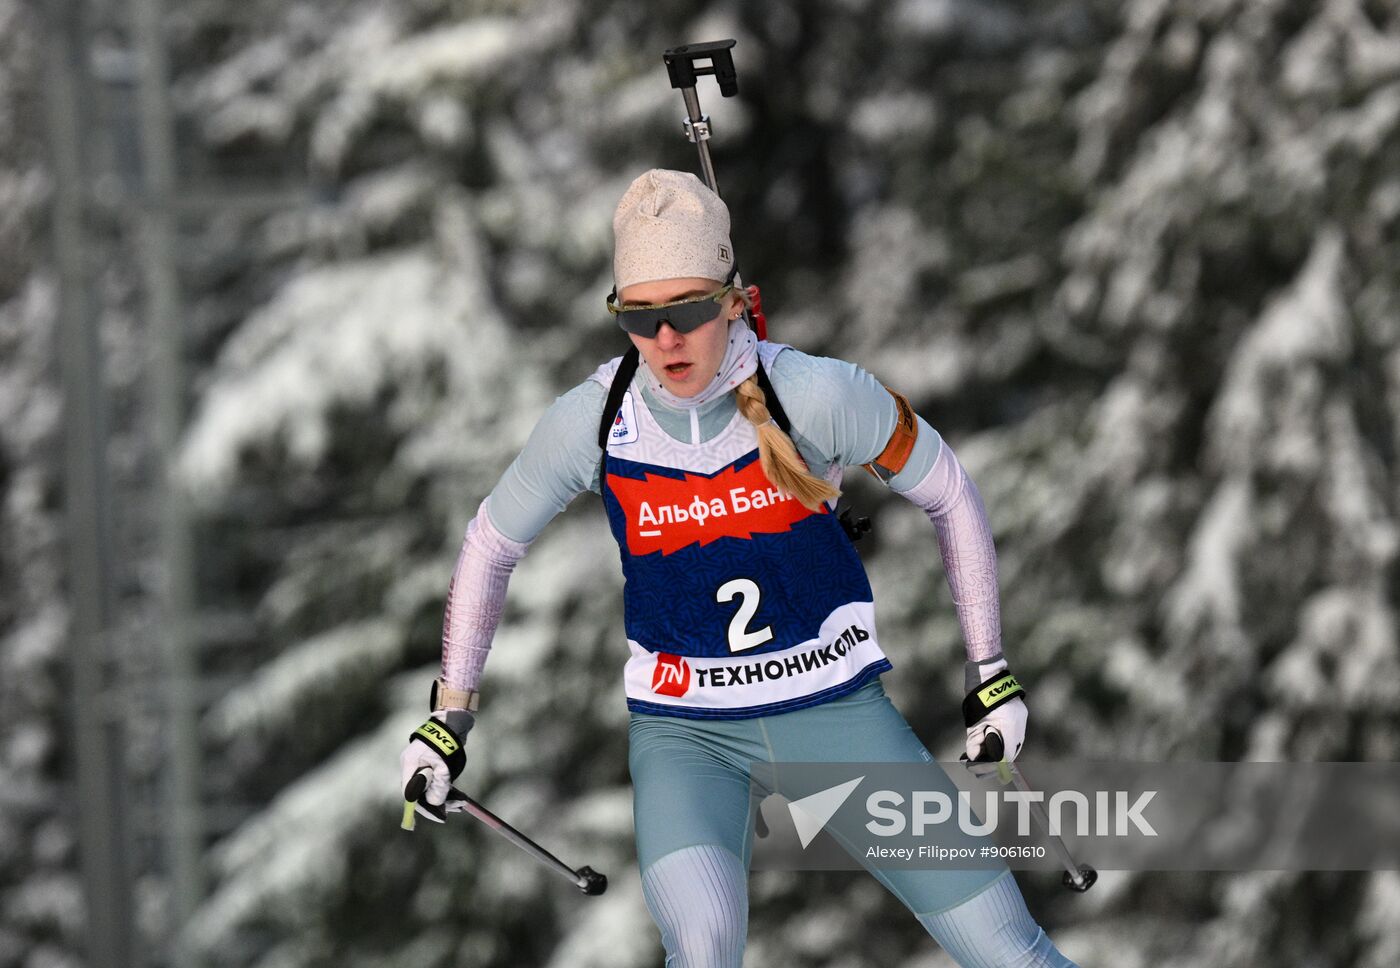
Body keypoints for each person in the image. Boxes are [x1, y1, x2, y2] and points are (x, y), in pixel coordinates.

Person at [400, 169, 1077, 967]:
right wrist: (449, 716)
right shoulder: (597, 419)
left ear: (731, 299)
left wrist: (990, 671)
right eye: (638, 318)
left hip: (834, 714)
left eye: (686, 311)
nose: (665, 342)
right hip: (687, 737)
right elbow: (490, 543)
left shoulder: (817, 394)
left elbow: (950, 493)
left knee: (1009, 952)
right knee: (705, 947)